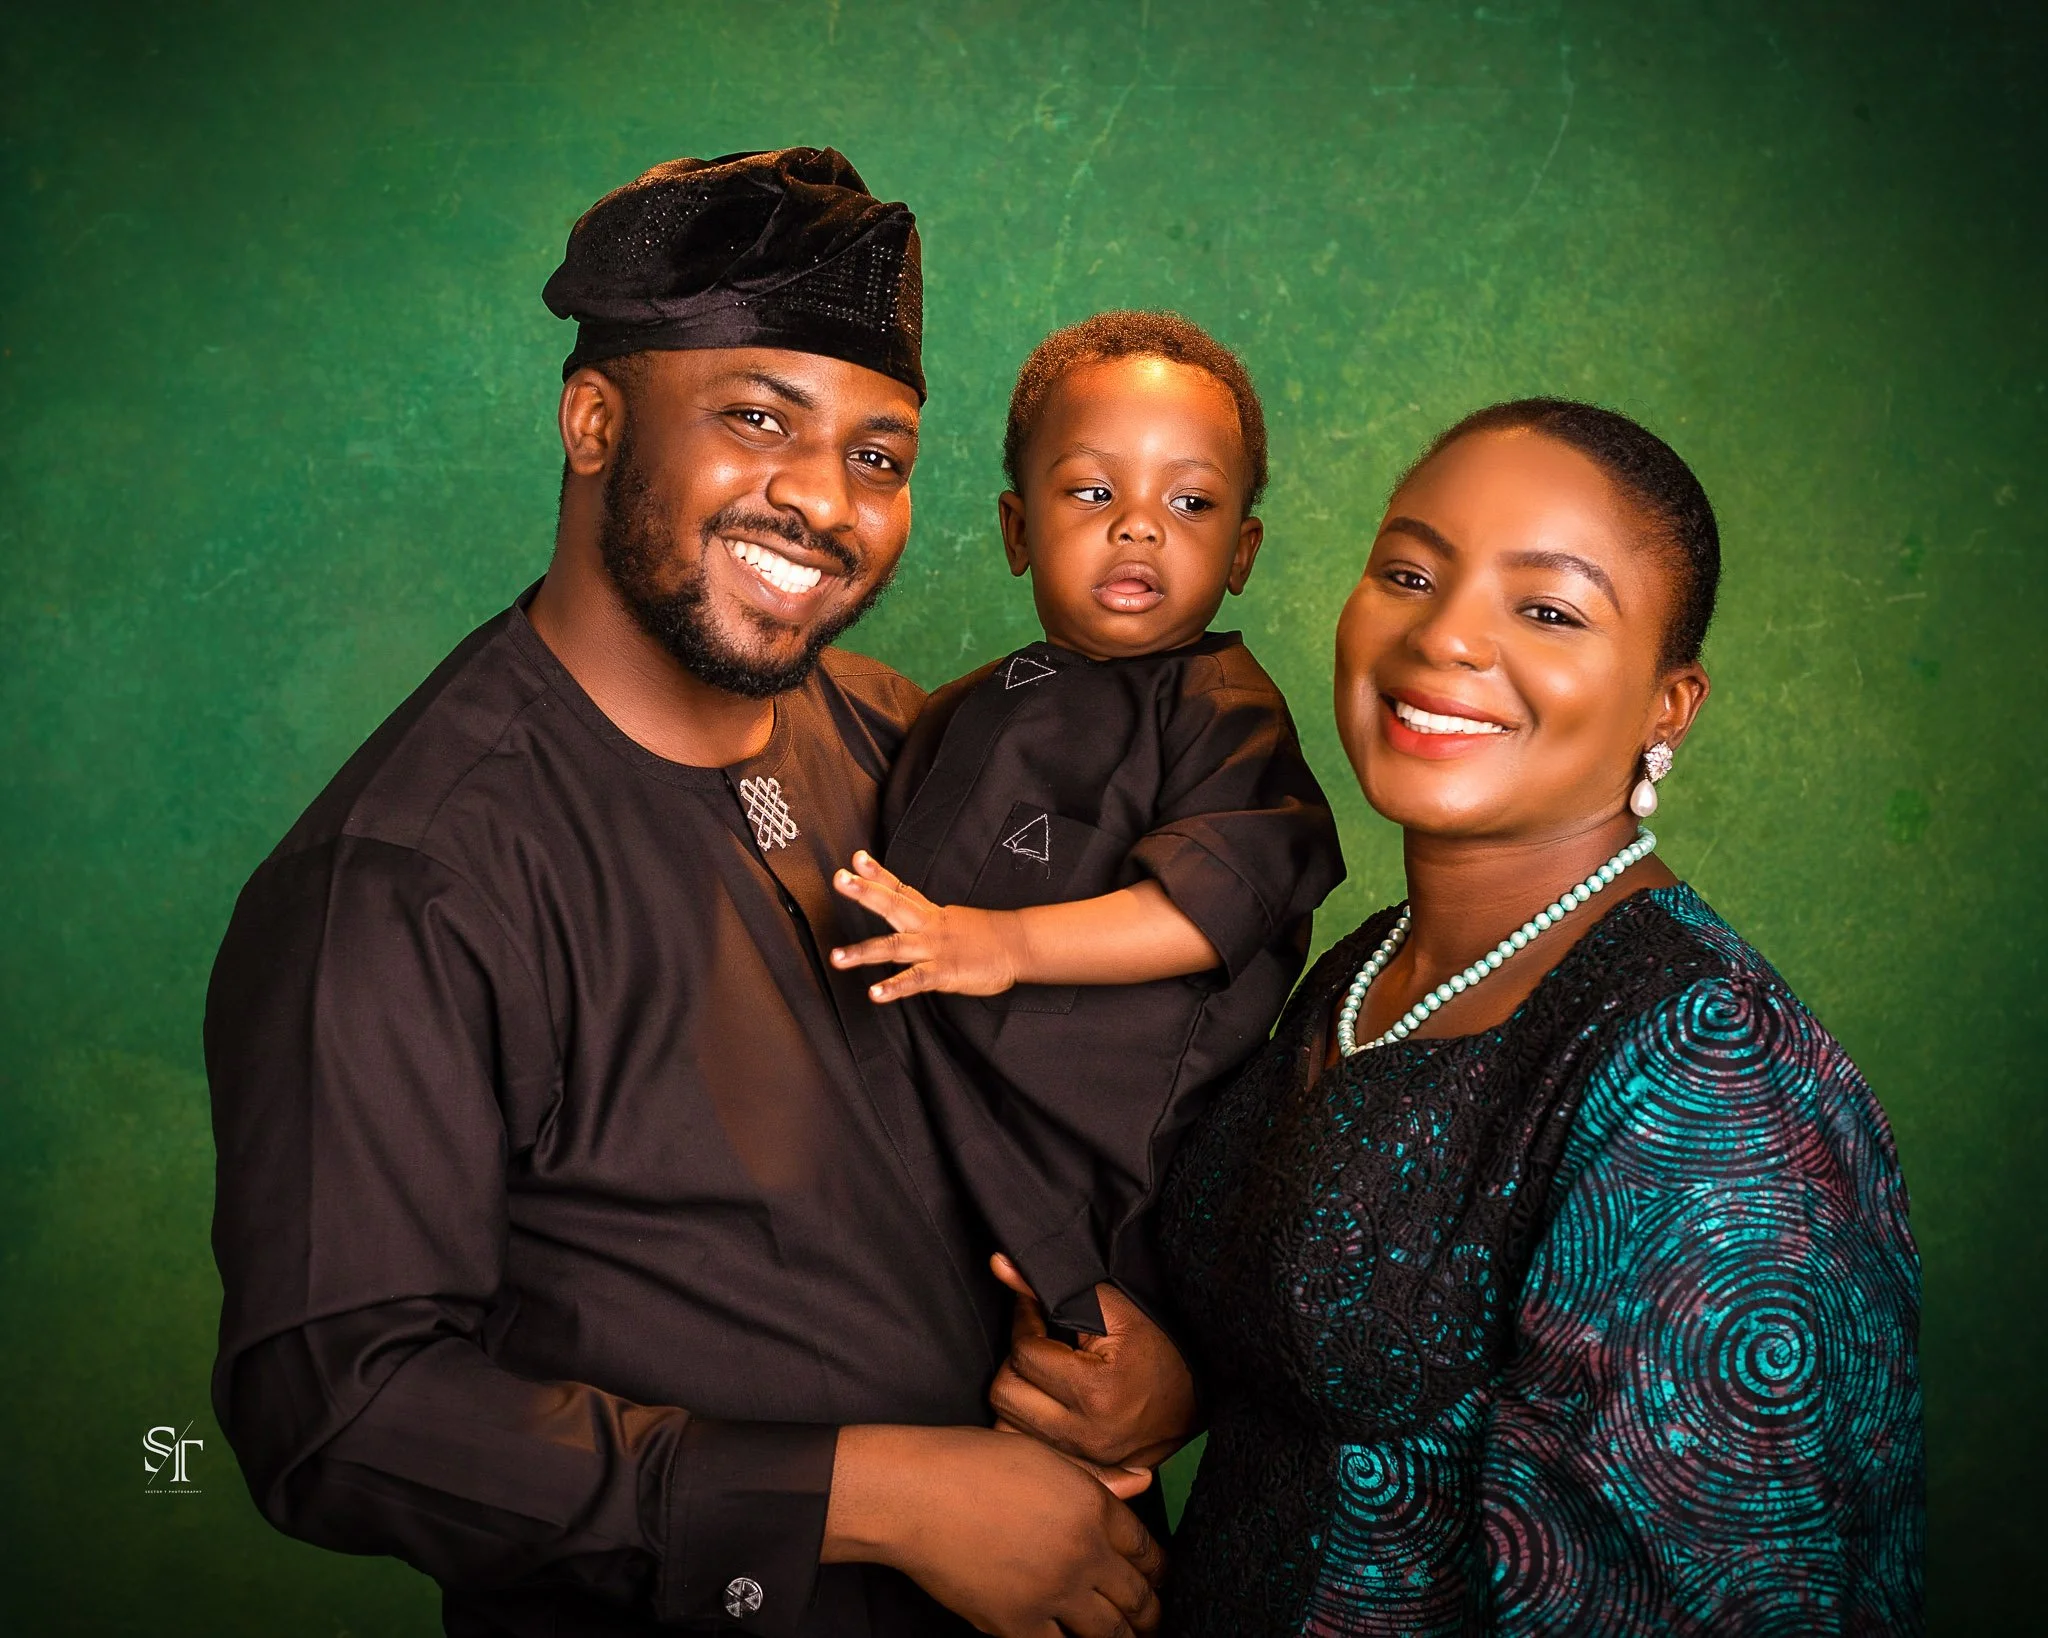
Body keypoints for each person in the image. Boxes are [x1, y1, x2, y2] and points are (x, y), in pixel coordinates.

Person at [204, 148, 1169, 1638]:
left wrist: (1147, 1349)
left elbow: (1075, 1091)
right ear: (594, 422)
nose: (825, 501)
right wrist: (880, 1497)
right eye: (756, 419)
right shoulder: (406, 884)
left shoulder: (906, 741)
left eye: (880, 456)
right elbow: (340, 1412)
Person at [991, 399, 1924, 1633]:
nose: (1443, 637)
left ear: (1669, 705)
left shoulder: (1708, 1072)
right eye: (1409, 574)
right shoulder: (1366, 968)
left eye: (1547, 610)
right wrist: (1183, 1390)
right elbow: (1366, 1362)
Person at [825, 311, 1345, 1336]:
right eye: (1094, 492)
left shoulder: (1222, 709)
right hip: (920, 1106)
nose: (1139, 526)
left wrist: (1003, 942)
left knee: (1043, 1349)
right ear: (1018, 531)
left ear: (1240, 551)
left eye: (1189, 502)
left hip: (1088, 1167)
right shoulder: (972, 704)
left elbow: (1206, 910)